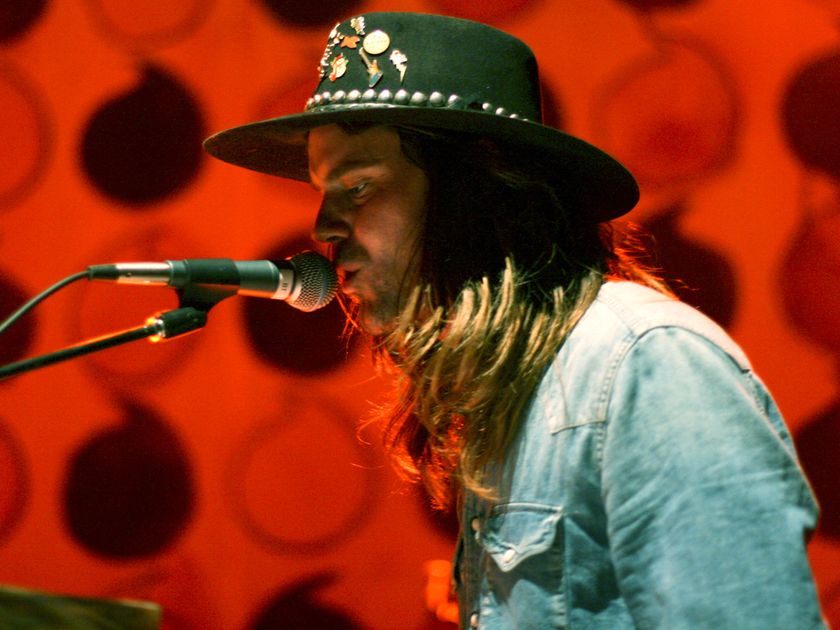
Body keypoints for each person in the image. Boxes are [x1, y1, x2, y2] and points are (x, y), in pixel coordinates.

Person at [203, 12, 825, 629]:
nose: (323, 227)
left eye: (359, 186)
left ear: (475, 190)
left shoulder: (647, 364)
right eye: (322, 191)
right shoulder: (514, 386)